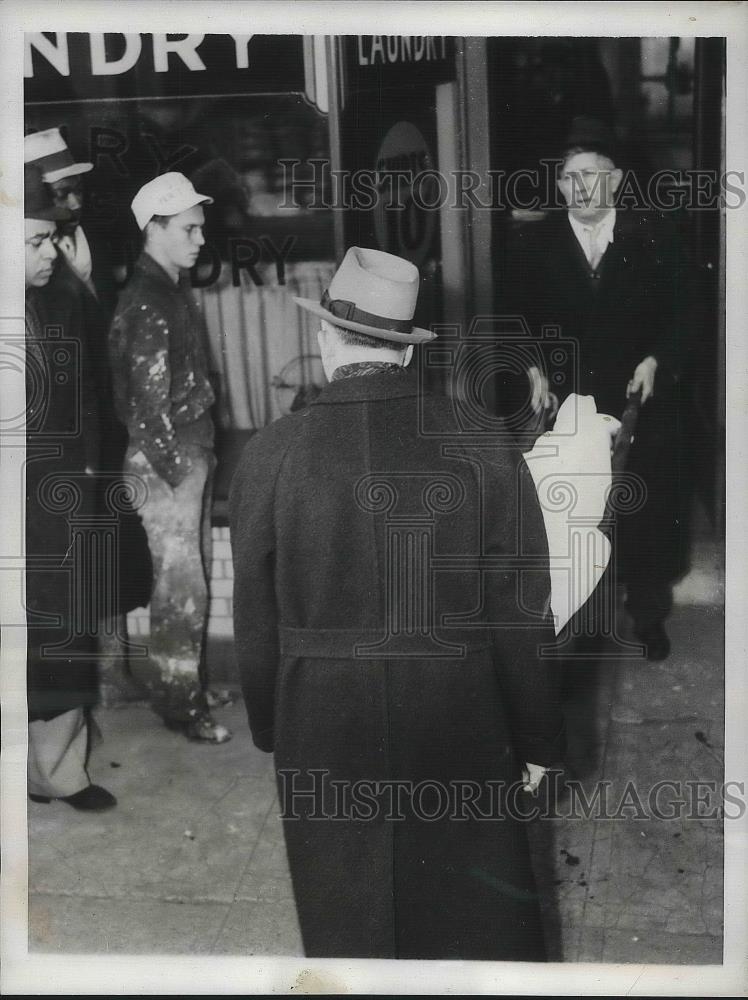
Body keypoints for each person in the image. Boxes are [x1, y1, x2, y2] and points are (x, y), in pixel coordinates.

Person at [229, 246, 565, 960]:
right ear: (408, 354)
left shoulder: (270, 454)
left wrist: (271, 725)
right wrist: (537, 738)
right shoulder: (482, 442)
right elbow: (520, 609)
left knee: (347, 921)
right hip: (459, 707)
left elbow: (253, 620)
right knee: (474, 919)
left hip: (322, 718)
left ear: (325, 341)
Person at [498, 117, 694, 660]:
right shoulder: (531, 244)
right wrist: (531, 368)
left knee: (644, 513)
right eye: (573, 177)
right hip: (563, 405)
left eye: (597, 175)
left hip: (637, 400)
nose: (585, 187)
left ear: (617, 183)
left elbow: (686, 314)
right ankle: (569, 622)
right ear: (560, 185)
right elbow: (512, 320)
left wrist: (658, 358)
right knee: (567, 513)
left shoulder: (654, 236)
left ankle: (649, 617)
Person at [108, 172, 230, 743]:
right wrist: (180, 476)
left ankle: (188, 689)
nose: (199, 239)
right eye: (188, 228)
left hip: (183, 454)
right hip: (169, 461)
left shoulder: (162, 291)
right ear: (154, 229)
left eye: (200, 227)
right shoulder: (151, 301)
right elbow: (146, 409)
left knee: (190, 583)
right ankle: (182, 708)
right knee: (181, 591)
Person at [24, 127, 153, 646]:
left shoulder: (79, 244)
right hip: (55, 463)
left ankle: (102, 676)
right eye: (61, 192)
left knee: (101, 569)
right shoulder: (34, 275)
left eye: (76, 189)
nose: (74, 201)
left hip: (93, 437)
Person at [25, 162, 116, 811]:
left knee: (64, 632)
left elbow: (87, 392)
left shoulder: (62, 298)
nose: (48, 252)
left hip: (54, 500)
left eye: (50, 238)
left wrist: (85, 470)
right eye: (33, 241)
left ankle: (62, 769)